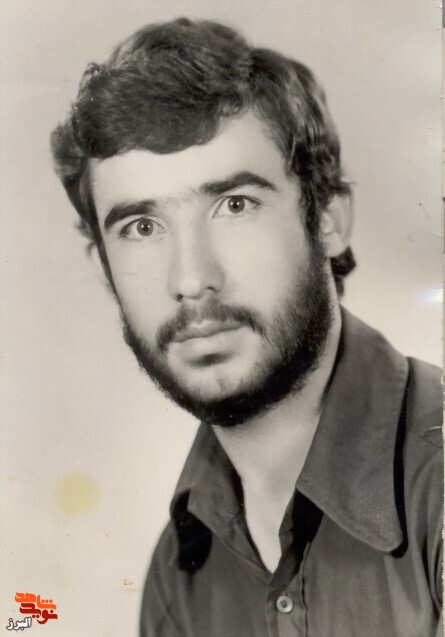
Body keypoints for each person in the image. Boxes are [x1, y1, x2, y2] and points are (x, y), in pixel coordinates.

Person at [50, 18, 442, 637]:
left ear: (327, 220)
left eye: (234, 205)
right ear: (105, 269)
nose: (191, 279)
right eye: (142, 227)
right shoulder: (179, 577)